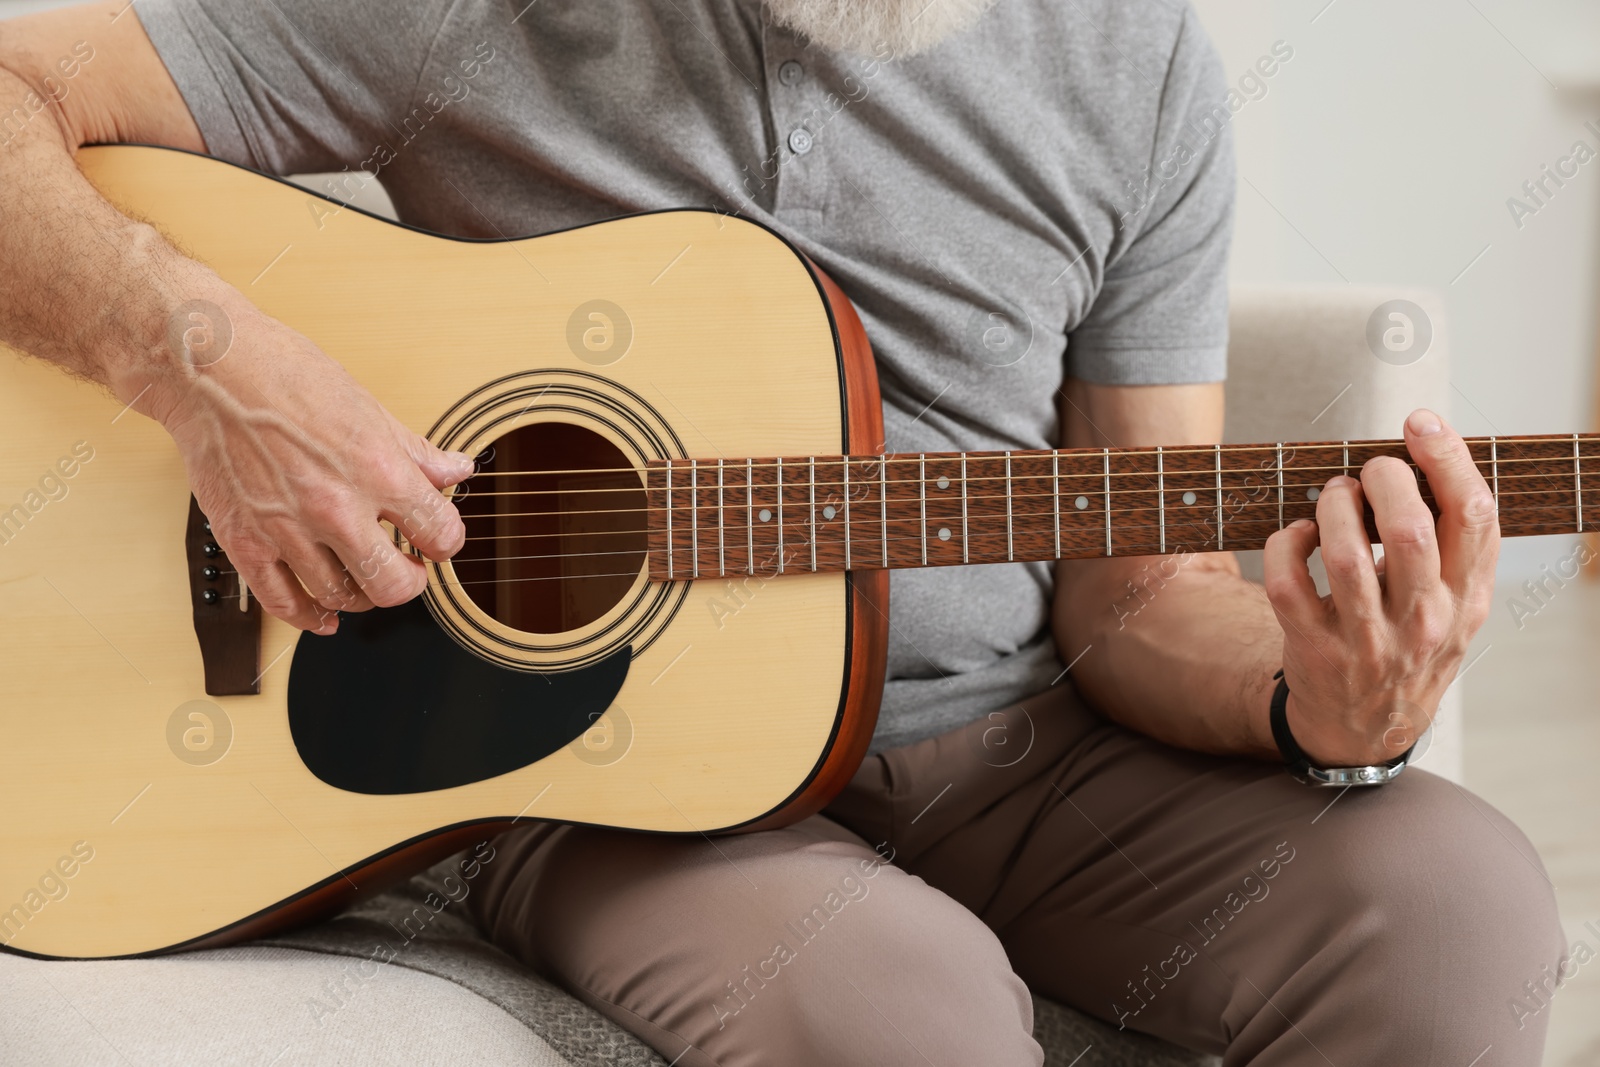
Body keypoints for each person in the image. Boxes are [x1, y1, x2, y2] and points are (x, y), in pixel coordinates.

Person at [0, 1, 1563, 1063]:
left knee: (1457, 901)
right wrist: (212, 373)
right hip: (623, 789)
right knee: (899, 1008)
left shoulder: (1129, 51)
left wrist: (1324, 702)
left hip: (1032, 757)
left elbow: (1143, 585)